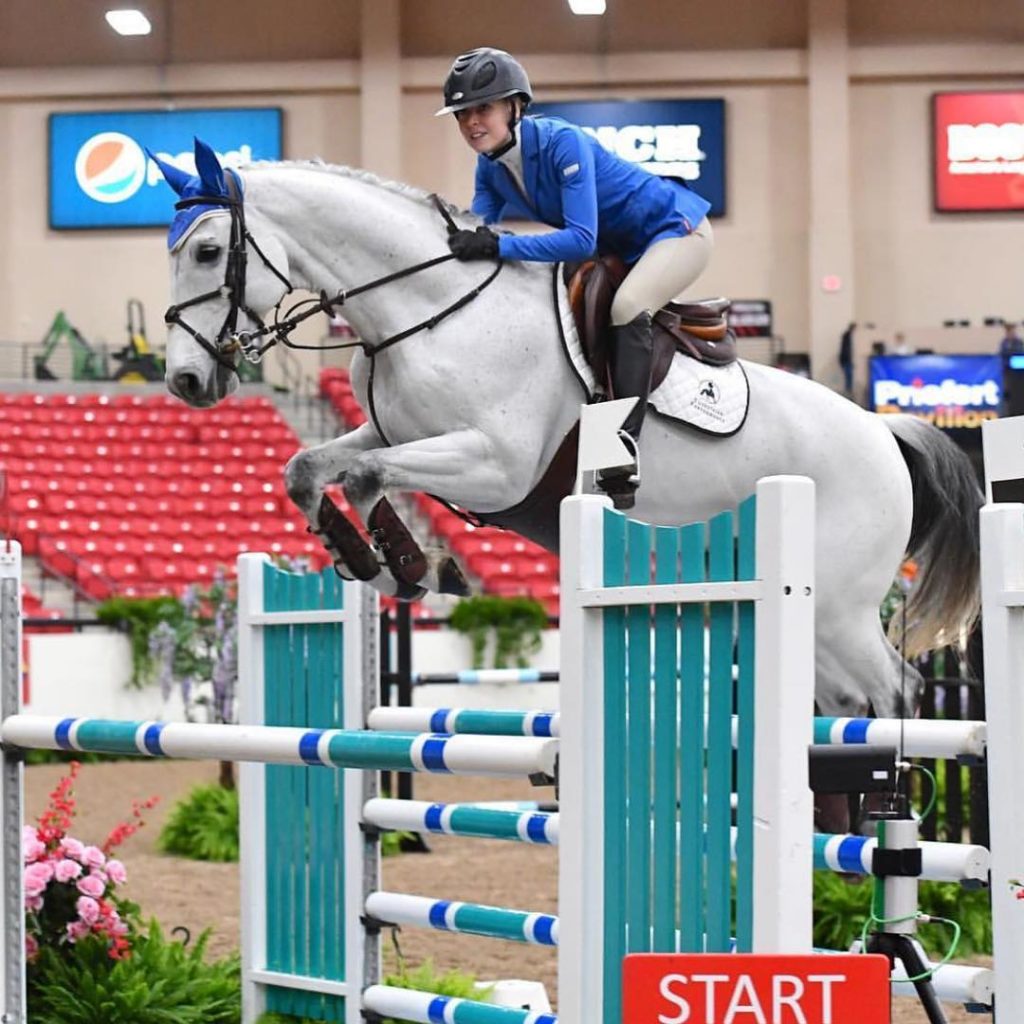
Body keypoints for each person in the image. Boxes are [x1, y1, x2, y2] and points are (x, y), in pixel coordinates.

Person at [437, 47, 713, 507]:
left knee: (627, 308)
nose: (471, 123)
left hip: (675, 231)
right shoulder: (489, 167)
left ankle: (619, 448)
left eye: (482, 108)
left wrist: (499, 245)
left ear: (515, 106)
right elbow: (478, 231)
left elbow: (580, 239)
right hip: (619, 250)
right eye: (462, 114)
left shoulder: (563, 142)